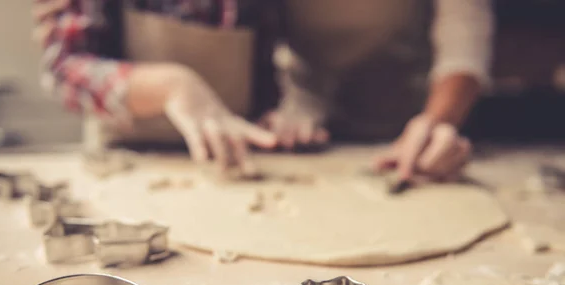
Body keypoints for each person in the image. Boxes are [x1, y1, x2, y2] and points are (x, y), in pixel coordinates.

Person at [32, 0, 494, 183]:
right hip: (127, 166)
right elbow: (65, 67)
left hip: (240, 166)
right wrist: (172, 86)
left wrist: (294, 109)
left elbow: (283, 51)